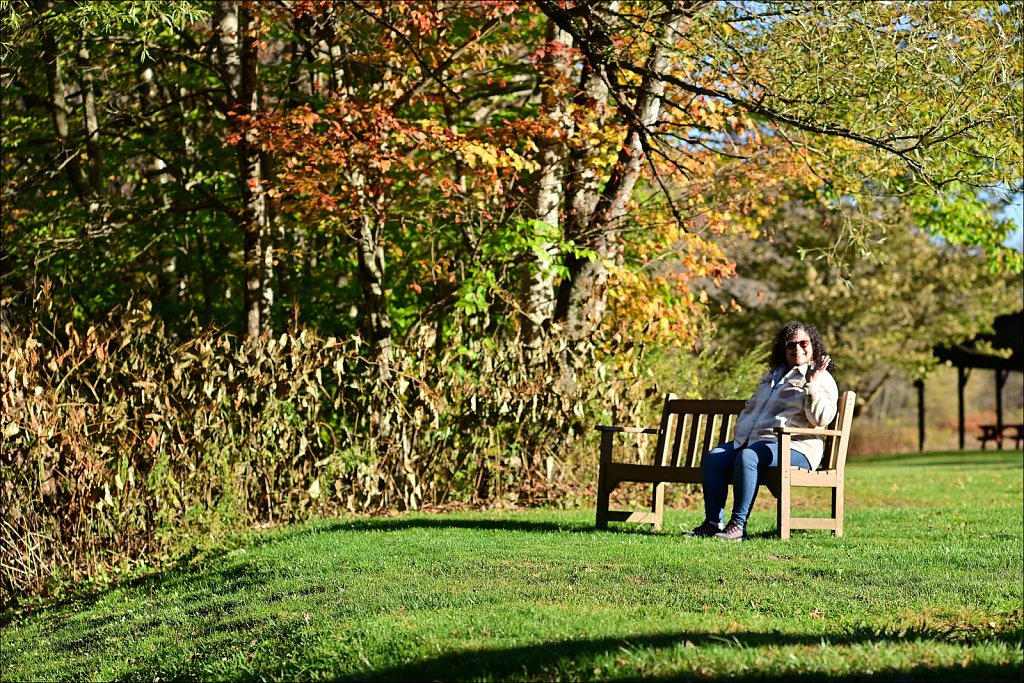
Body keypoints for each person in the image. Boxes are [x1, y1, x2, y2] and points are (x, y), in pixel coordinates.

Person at [688, 321, 839, 541]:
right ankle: (712, 523)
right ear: (783, 348)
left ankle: (738, 525)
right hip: (757, 443)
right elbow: (753, 408)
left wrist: (812, 384)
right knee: (714, 458)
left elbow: (821, 418)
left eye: (803, 343)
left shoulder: (821, 377)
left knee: (748, 456)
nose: (797, 348)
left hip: (796, 447)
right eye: (791, 344)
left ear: (813, 345)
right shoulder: (772, 377)